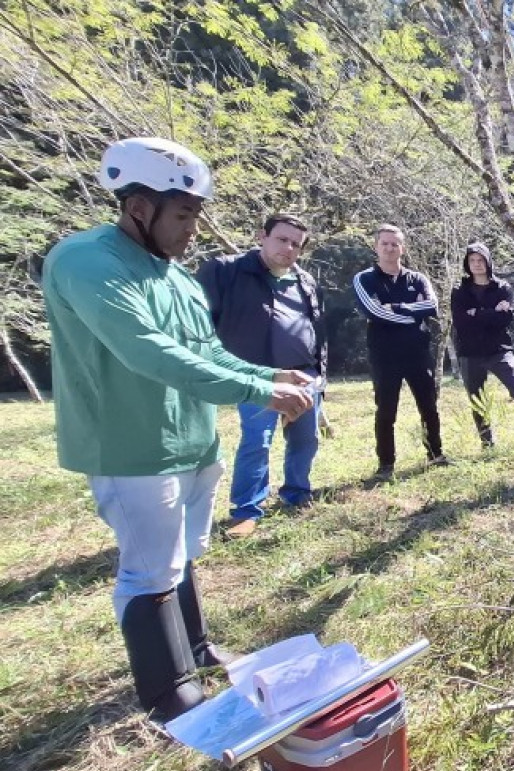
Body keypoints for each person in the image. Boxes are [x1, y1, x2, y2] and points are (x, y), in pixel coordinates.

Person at [42, 137, 313, 721]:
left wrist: (267, 374)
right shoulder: (87, 261)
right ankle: (169, 694)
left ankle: (195, 649)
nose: (193, 229)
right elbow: (148, 351)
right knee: (149, 570)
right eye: (184, 215)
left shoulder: (179, 278)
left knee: (181, 555)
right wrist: (258, 392)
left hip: (193, 438)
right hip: (132, 444)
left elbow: (206, 353)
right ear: (140, 207)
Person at [197, 213, 326, 540]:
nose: (289, 248)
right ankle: (246, 510)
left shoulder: (305, 281)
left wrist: (319, 374)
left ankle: (297, 493)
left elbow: (318, 330)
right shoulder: (226, 271)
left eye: (296, 244)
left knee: (306, 439)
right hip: (257, 377)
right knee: (257, 441)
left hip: (303, 375)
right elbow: (202, 326)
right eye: (282, 239)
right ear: (261, 236)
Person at [352, 224, 448, 480]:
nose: (390, 248)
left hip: (418, 352)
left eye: (395, 244)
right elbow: (374, 312)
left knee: (429, 406)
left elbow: (432, 306)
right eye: (385, 243)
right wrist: (412, 312)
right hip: (385, 355)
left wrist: (394, 308)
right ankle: (386, 465)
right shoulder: (364, 279)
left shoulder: (418, 279)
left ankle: (436, 454)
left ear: (402, 248)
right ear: (376, 246)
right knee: (386, 410)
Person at [451, 241, 514, 447]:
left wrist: (476, 313)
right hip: (470, 352)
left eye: (481, 260)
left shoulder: (503, 288)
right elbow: (461, 322)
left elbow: (505, 319)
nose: (477, 264)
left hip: (499, 350)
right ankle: (487, 443)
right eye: (472, 260)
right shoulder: (459, 291)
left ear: (488, 261)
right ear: (467, 263)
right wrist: (492, 312)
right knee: (477, 399)